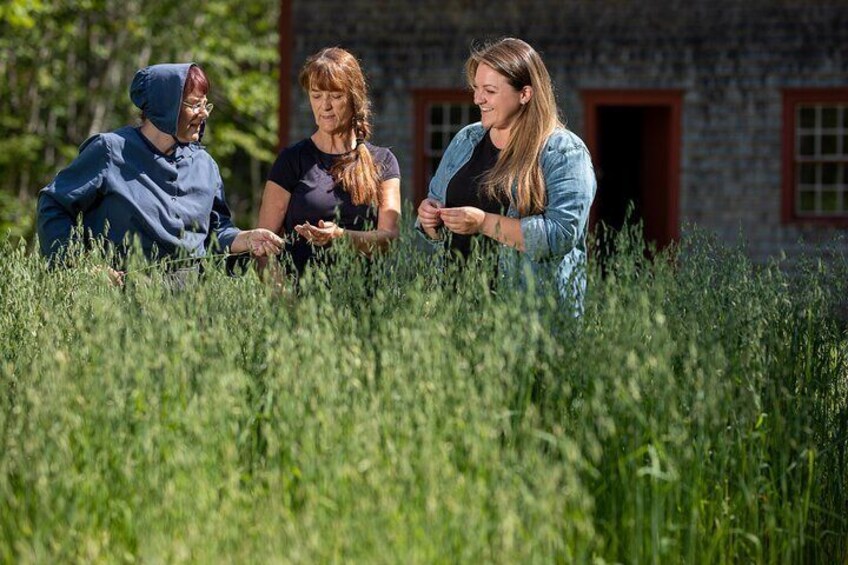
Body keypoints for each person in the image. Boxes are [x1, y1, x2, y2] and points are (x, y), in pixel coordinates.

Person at [37, 63, 283, 283]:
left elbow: (214, 235)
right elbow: (53, 204)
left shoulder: (205, 166)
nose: (205, 113)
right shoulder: (110, 150)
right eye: (194, 105)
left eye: (205, 104)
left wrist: (245, 239)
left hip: (188, 313)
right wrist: (84, 267)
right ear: (167, 105)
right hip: (118, 308)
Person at [416, 38, 596, 307]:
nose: (478, 98)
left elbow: (560, 235)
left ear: (525, 94)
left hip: (529, 318)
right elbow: (434, 210)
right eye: (476, 88)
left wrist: (483, 223)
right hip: (455, 312)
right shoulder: (467, 139)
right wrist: (429, 218)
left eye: (489, 90)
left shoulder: (563, 151)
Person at [256, 47, 401, 277]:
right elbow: (263, 245)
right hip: (300, 302)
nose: (325, 106)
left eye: (335, 96)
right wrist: (281, 300)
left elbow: (390, 238)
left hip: (365, 303)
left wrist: (341, 237)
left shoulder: (383, 161)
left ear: (354, 98)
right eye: (316, 95)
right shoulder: (291, 161)